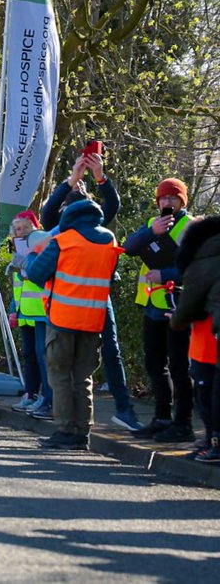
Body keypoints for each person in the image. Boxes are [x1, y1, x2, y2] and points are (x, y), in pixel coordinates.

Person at [39, 151, 141, 431]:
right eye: (75, 188)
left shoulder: (95, 222)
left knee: (108, 351)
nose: (79, 188)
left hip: (95, 300)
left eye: (83, 188)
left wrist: (100, 177)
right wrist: (71, 179)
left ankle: (122, 409)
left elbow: (114, 204)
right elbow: (47, 212)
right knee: (69, 367)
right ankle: (67, 416)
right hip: (72, 304)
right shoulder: (60, 224)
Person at [26, 198, 124, 451]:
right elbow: (112, 276)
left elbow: (36, 274)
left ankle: (65, 430)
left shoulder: (63, 241)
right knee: (83, 377)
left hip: (62, 319)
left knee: (59, 375)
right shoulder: (110, 241)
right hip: (93, 320)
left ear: (69, 218)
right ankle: (83, 432)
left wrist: (27, 260)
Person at [124, 177, 195, 442]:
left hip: (178, 305)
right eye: (163, 198)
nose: (167, 202)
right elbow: (129, 247)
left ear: (182, 201)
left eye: (173, 198)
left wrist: (165, 273)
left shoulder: (190, 226)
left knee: (179, 366)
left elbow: (198, 269)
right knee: (155, 365)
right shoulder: (152, 225)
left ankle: (183, 423)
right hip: (153, 305)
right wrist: (150, 232)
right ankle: (162, 418)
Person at [169, 215, 220, 463]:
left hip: (207, 341)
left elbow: (189, 308)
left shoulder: (202, 263)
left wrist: (176, 317)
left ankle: (212, 443)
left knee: (208, 394)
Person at [8, 214, 52, 416]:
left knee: (42, 355)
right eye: (17, 228)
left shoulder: (42, 249)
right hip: (25, 312)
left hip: (41, 312)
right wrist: (13, 310)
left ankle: (45, 397)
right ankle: (31, 393)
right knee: (29, 355)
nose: (21, 231)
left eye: (25, 227)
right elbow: (17, 287)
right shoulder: (17, 251)